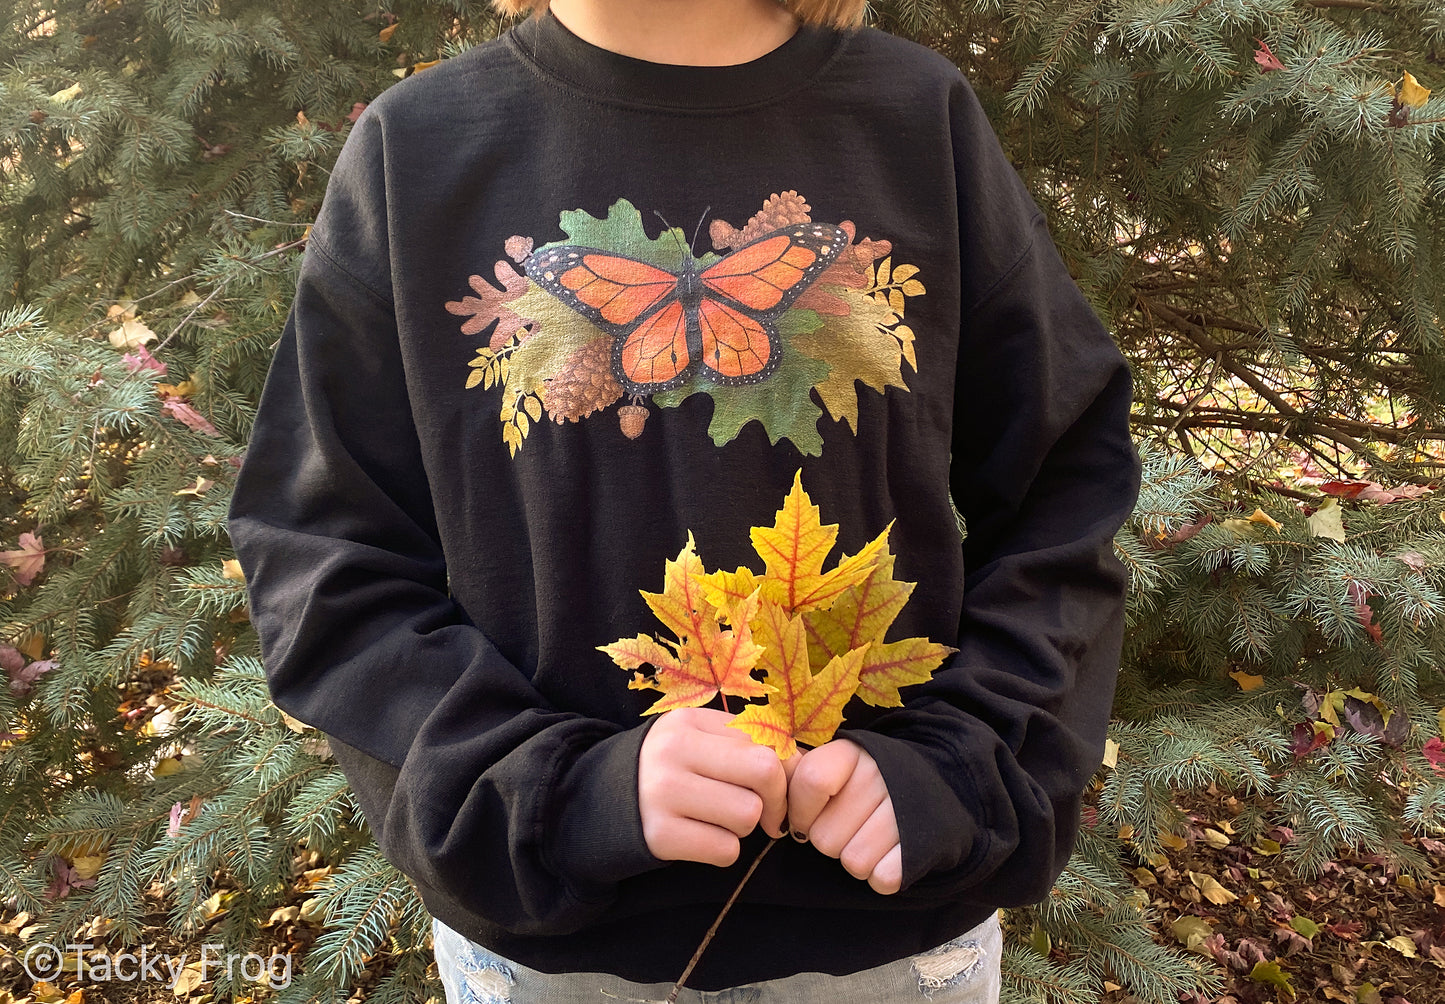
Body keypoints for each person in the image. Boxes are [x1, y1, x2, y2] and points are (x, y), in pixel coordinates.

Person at [225, 0, 1142, 1001]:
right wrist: (556, 795)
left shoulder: (912, 119)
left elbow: (1064, 480)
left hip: (892, 934)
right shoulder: (419, 150)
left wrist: (962, 769)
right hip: (551, 947)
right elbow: (323, 551)